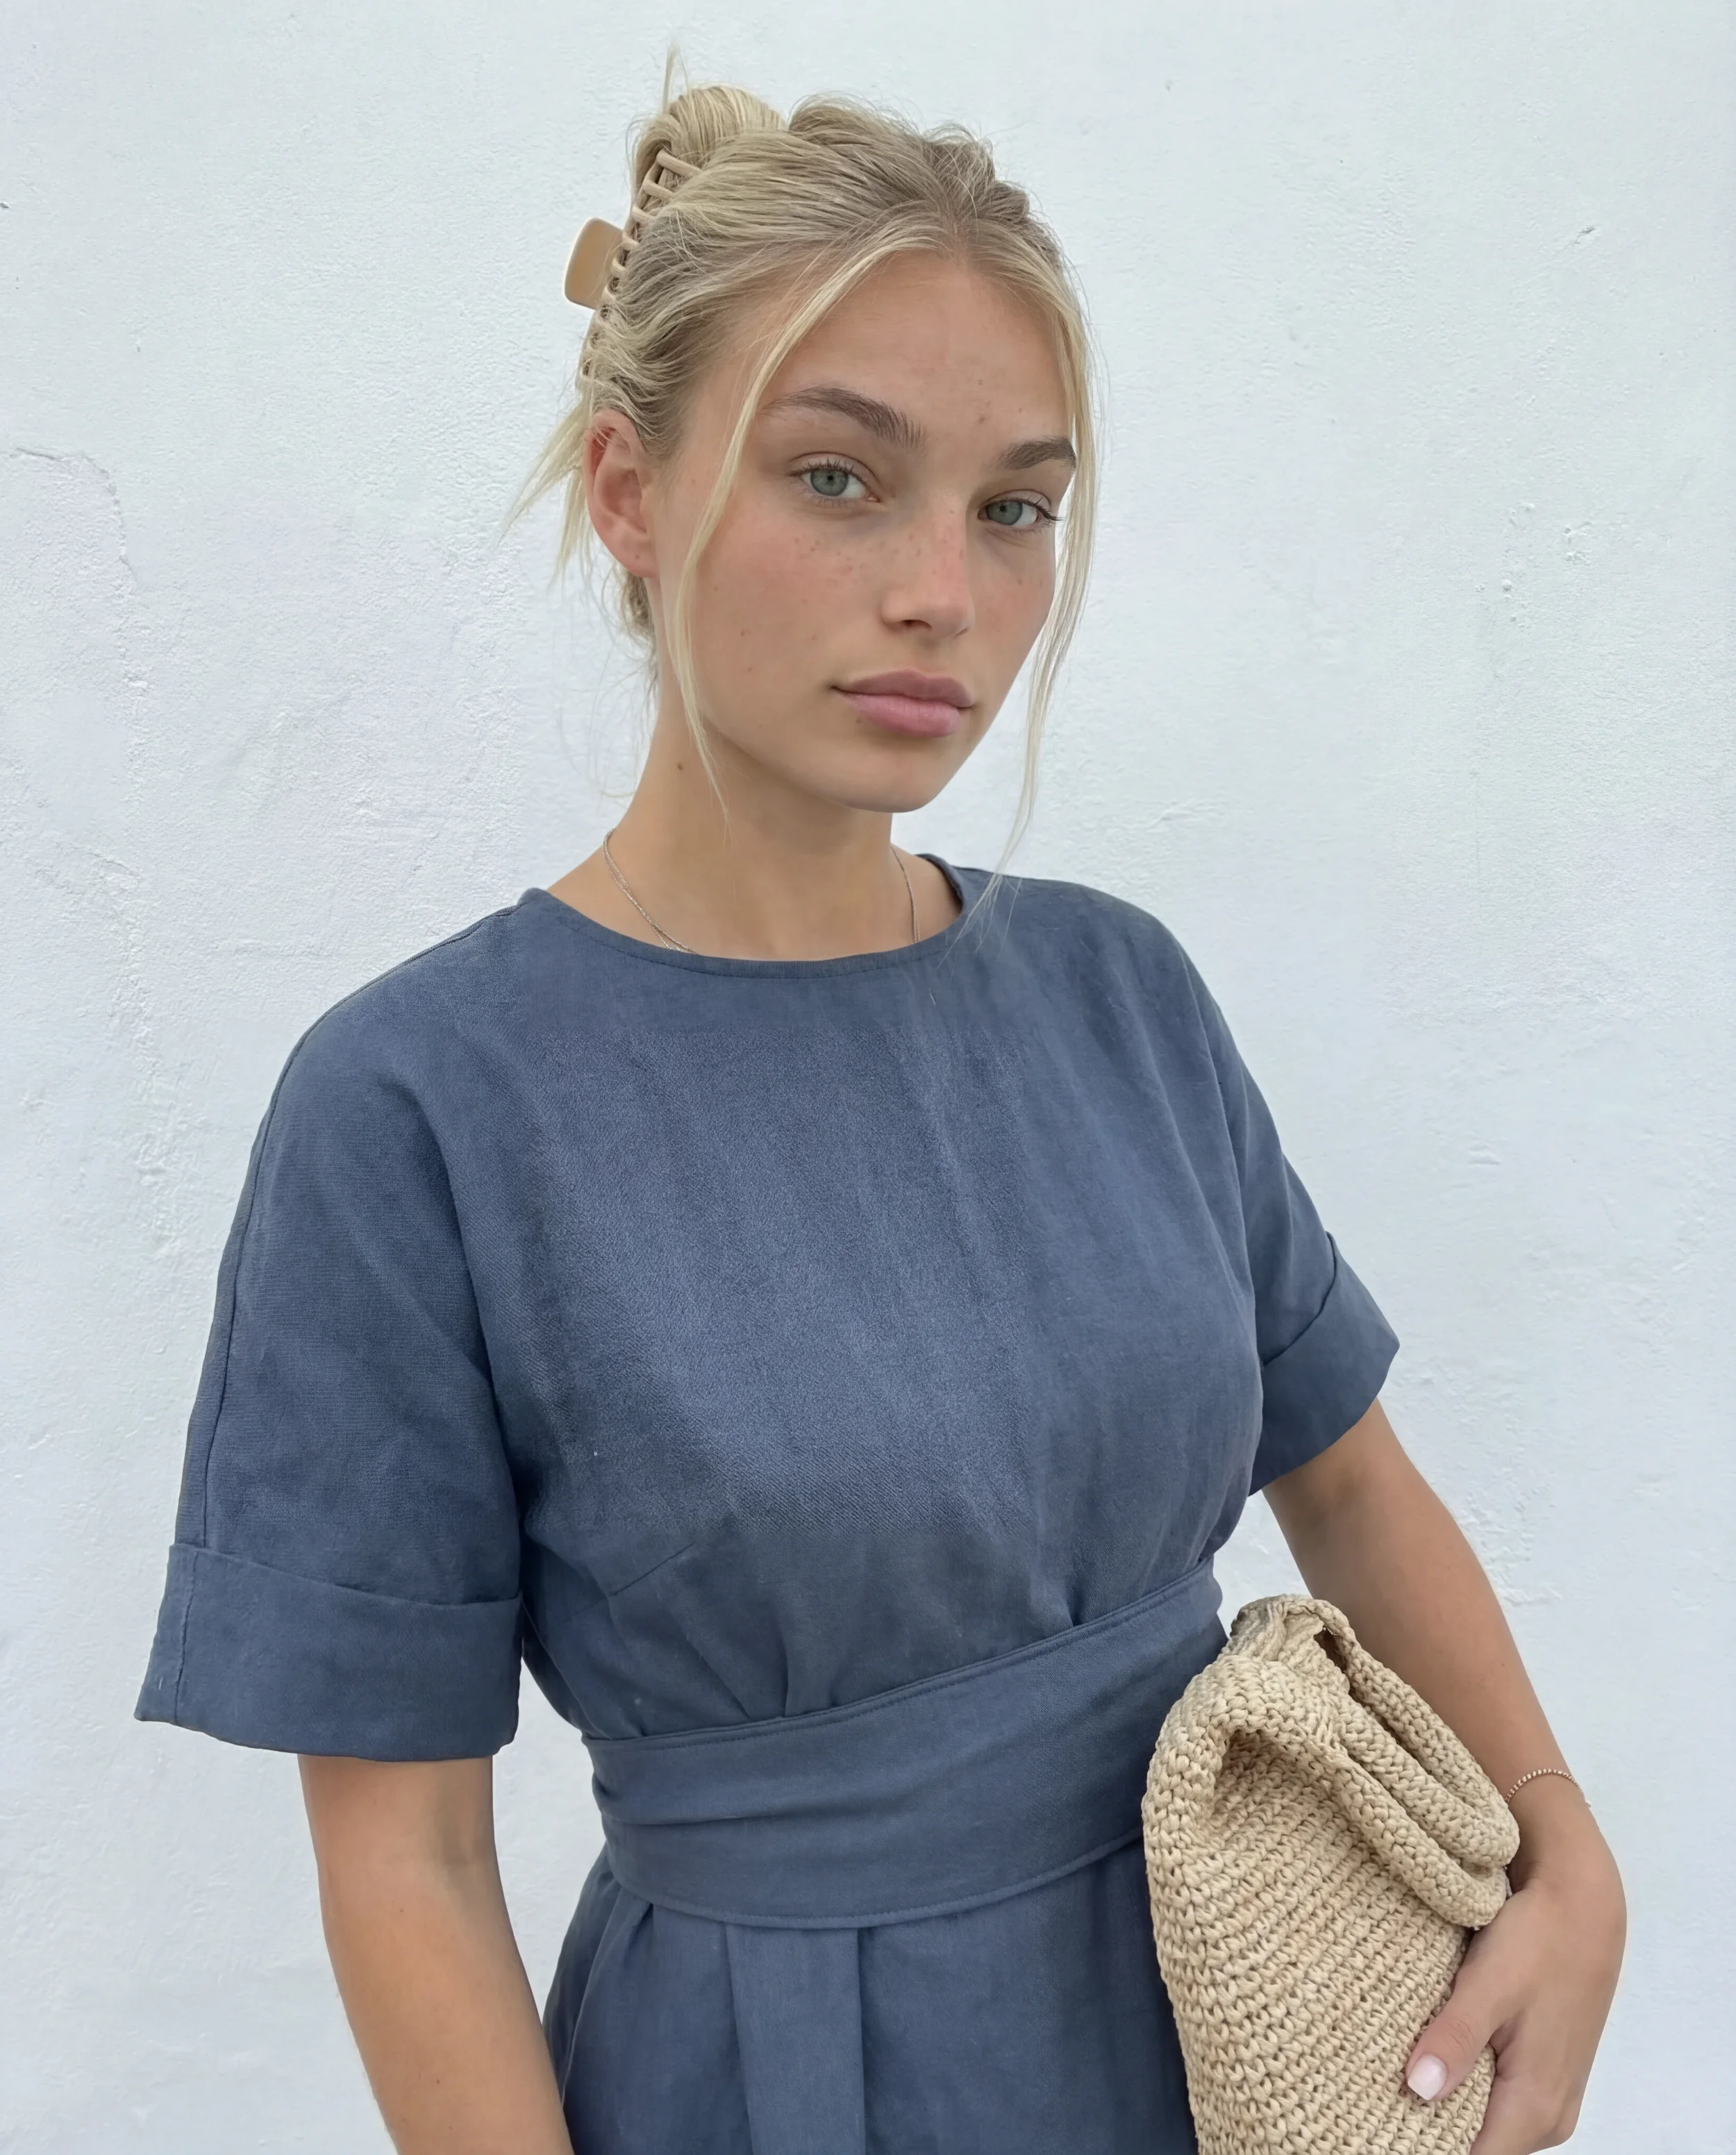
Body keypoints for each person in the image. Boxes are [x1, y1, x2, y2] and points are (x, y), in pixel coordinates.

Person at [137, 78, 1625, 2155]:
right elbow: (410, 1854)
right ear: (627, 492)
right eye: (841, 477)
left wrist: (1567, 1852)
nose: (945, 590)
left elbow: (1352, 1484)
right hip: (782, 2084)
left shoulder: (1119, 995)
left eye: (1014, 507)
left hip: (1256, 2022)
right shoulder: (417, 1108)